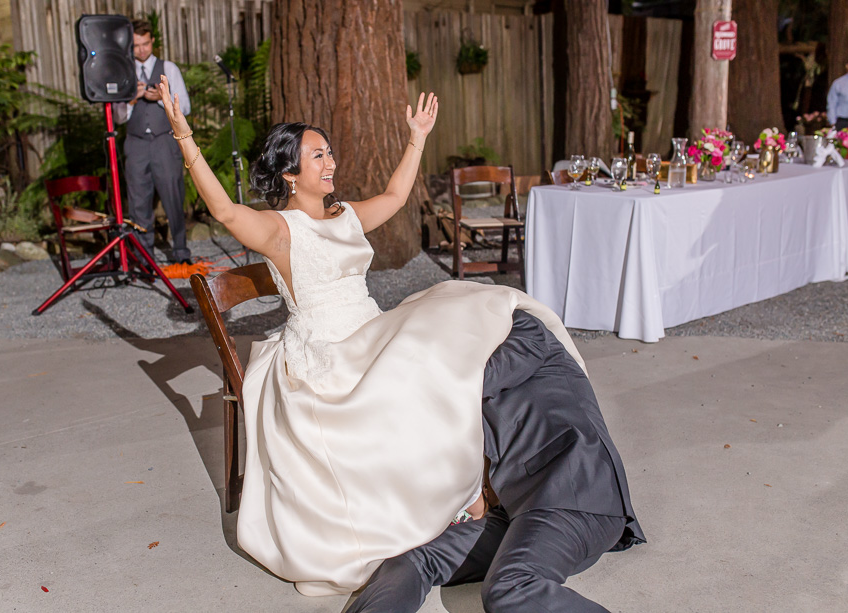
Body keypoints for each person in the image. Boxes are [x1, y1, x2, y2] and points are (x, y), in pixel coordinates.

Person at [157, 75, 641, 599]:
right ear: (291, 174)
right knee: (427, 357)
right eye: (317, 156)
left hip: (371, 327)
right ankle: (464, 494)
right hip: (329, 349)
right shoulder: (279, 230)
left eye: (329, 153)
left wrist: (417, 138)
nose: (330, 163)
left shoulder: (343, 216)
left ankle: (484, 481)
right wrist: (183, 134)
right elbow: (226, 212)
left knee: (457, 322)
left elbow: (394, 195)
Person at [348, 310, 645, 612]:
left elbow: (466, 387)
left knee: (510, 586)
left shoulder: (523, 330)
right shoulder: (455, 370)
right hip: (516, 510)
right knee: (414, 558)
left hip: (575, 492)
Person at [112, 19, 192, 264]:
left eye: (145, 44)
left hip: (164, 143)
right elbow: (117, 118)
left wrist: (161, 98)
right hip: (135, 144)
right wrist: (132, 99)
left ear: (152, 41)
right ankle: (144, 258)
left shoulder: (169, 68)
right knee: (138, 203)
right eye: (136, 45)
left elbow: (185, 108)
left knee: (173, 197)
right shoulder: (123, 71)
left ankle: (180, 252)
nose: (142, 50)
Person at [827, 56, 848, 130]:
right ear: (847, 65)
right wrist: (833, 123)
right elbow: (831, 103)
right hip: (843, 122)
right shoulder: (838, 83)